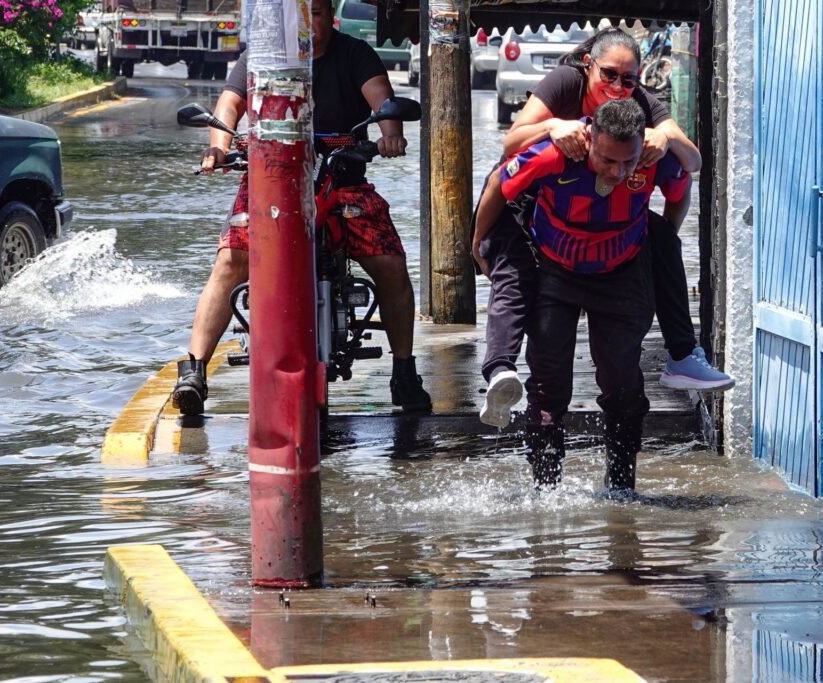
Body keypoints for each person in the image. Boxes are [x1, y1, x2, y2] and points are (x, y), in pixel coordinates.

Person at [172, 0, 431, 415]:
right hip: (269, 183)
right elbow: (229, 105)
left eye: (317, 13)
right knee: (230, 260)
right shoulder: (261, 56)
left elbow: (382, 99)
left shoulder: (355, 53)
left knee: (391, 263)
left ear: (331, 17)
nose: (307, 23)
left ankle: (404, 371)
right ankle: (194, 371)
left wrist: (390, 134)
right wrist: (218, 148)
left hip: (342, 182)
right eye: (300, 13)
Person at [472, 27, 732, 429]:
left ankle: (682, 355)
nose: (618, 87)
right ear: (588, 66)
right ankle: (500, 368)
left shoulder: (642, 119)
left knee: (623, 377)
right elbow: (507, 158)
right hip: (548, 231)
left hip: (619, 255)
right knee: (516, 284)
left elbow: (691, 167)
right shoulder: (562, 106)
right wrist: (553, 127)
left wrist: (664, 137)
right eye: (609, 75)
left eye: (628, 79)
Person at [475, 98, 687, 490]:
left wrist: (661, 239)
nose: (618, 172)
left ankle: (621, 487)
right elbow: (500, 185)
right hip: (556, 274)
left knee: (622, 382)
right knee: (549, 384)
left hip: (621, 274)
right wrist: (477, 241)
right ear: (589, 141)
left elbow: (680, 190)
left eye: (627, 161)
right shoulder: (554, 154)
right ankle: (546, 490)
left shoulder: (654, 158)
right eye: (607, 160)